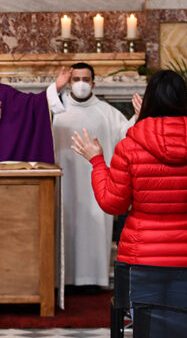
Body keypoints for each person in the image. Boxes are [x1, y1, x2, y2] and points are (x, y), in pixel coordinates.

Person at [71, 70, 187, 337]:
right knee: (184, 330)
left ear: (149, 100)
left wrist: (96, 162)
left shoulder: (129, 147)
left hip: (142, 258)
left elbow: (113, 204)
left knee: (146, 330)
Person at [46, 62, 133, 289]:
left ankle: (94, 279)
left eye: (86, 79)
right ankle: (64, 278)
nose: (81, 84)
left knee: (94, 227)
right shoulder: (57, 110)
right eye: (76, 80)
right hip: (65, 184)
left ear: (93, 83)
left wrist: (138, 117)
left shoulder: (106, 112)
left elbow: (127, 135)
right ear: (69, 82)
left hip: (97, 186)